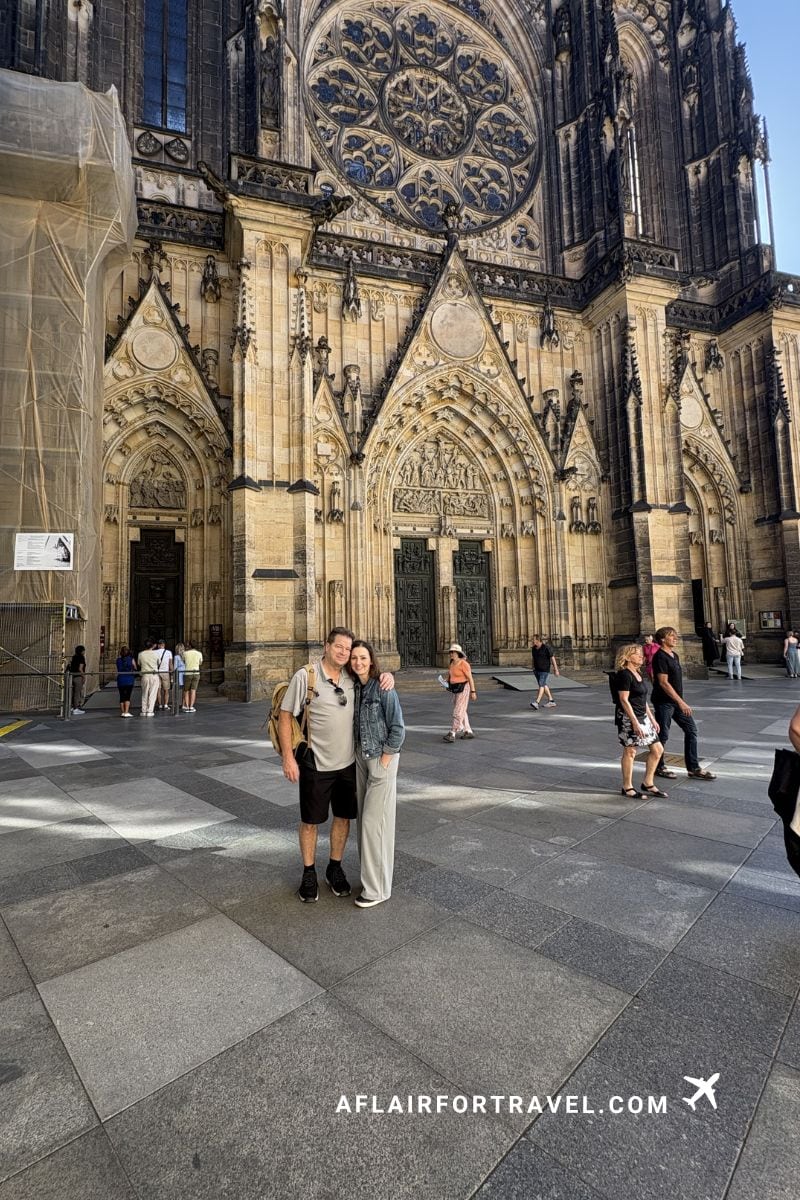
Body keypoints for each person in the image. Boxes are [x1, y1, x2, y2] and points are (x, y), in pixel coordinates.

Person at [278, 627, 394, 903]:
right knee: (310, 822)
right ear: (326, 646)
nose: (344, 653)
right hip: (315, 762)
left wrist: (388, 675)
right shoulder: (306, 676)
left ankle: (334, 867)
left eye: (348, 648)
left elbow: (373, 678)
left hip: (348, 764)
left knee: (343, 818)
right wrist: (287, 758)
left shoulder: (352, 677)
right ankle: (308, 872)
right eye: (339, 647)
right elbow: (285, 716)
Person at [349, 639, 405, 908]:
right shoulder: (355, 687)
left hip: (380, 759)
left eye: (363, 657)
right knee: (364, 822)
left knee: (374, 823)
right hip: (361, 757)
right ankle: (370, 878)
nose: (358, 662)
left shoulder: (383, 687)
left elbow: (398, 728)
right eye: (354, 658)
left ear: (372, 660)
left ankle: (377, 889)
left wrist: (385, 759)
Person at [651, 627, 716, 781]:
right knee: (663, 735)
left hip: (676, 702)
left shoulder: (674, 655)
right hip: (664, 702)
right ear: (662, 639)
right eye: (672, 636)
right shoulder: (660, 657)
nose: (675, 638)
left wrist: (680, 701)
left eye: (675, 635)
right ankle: (658, 766)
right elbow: (663, 683)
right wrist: (681, 702)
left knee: (691, 730)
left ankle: (693, 768)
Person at [613, 644, 667, 798]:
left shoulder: (637, 673)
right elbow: (624, 700)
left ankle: (648, 783)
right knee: (630, 751)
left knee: (658, 750)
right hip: (629, 718)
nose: (641, 657)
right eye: (637, 654)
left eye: (641, 654)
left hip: (643, 717)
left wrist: (651, 718)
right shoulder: (624, 675)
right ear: (627, 657)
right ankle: (627, 786)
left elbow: (641, 700)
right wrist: (635, 722)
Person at [442, 643, 477, 742]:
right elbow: (450, 675)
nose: (451, 654)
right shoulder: (452, 663)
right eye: (450, 652)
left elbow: (470, 678)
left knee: (458, 710)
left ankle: (452, 732)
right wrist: (446, 682)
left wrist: (473, 691)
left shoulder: (464, 664)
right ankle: (468, 730)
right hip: (456, 688)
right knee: (462, 709)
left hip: (464, 688)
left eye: (453, 652)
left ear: (458, 653)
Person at [530, 635, 560, 710]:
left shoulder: (546, 647)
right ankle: (551, 701)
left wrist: (556, 669)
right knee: (543, 684)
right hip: (537, 670)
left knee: (541, 685)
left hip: (544, 670)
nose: (532, 641)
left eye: (533, 640)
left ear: (537, 640)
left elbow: (552, 658)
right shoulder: (533, 648)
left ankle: (537, 702)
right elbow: (533, 658)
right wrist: (533, 667)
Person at [138, 640, 160, 717]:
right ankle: (150, 710)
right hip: (154, 675)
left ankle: (144, 710)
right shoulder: (156, 654)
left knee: (144, 693)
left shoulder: (141, 654)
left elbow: (139, 663)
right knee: (152, 693)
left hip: (145, 675)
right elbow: (158, 662)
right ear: (152, 646)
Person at [116, 645, 137, 718]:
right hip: (129, 679)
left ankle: (122, 712)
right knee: (127, 696)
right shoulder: (131, 659)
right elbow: (135, 667)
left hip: (120, 679)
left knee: (122, 696)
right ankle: (126, 712)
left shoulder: (118, 660)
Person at [182, 641, 203, 711]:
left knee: (186, 690)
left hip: (188, 673)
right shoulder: (199, 653)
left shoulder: (185, 653)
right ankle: (191, 706)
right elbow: (200, 663)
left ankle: (187, 706)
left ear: (189, 646)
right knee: (193, 690)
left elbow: (183, 661)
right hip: (196, 673)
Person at [68, 644, 86, 715]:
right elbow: (80, 668)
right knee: (77, 693)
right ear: (82, 651)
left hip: (72, 675)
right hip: (78, 676)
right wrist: (83, 676)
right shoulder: (81, 657)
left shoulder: (74, 657)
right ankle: (76, 708)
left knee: (73, 692)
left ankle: (72, 706)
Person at [155, 640, 173, 709]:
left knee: (158, 689)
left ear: (158, 645)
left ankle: (159, 704)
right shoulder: (168, 652)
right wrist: (172, 672)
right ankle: (165, 704)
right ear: (164, 645)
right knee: (166, 689)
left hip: (157, 672)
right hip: (165, 672)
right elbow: (170, 664)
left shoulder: (154, 652)